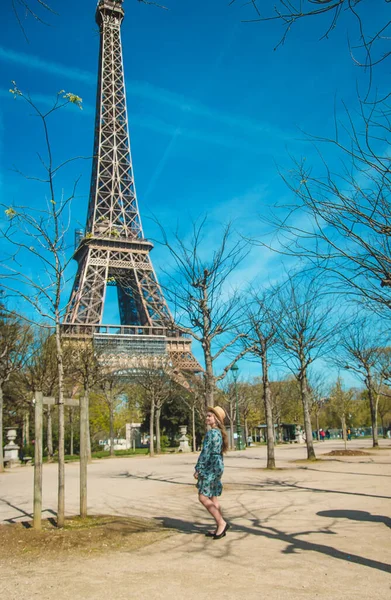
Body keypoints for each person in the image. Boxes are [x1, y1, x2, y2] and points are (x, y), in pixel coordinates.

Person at [194, 406, 230, 540]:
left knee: (203, 497)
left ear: (216, 419)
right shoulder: (219, 433)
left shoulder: (211, 433)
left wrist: (199, 468)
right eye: (207, 415)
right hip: (217, 465)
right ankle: (219, 526)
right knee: (213, 496)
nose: (207, 418)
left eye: (210, 416)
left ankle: (221, 523)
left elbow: (205, 453)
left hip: (210, 466)